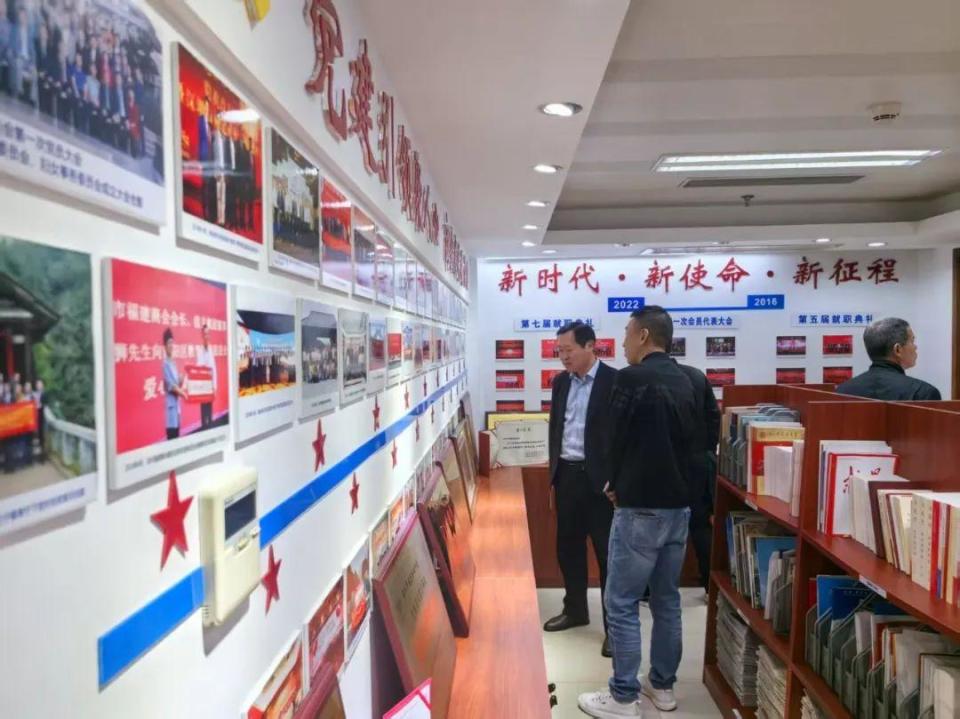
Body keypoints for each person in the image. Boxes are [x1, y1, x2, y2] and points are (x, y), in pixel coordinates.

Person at [579, 306, 697, 719]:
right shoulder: (690, 379)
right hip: (679, 509)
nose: (624, 341)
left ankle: (623, 696)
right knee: (666, 601)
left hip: (639, 508)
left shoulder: (630, 379)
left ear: (644, 335)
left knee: (622, 601)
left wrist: (613, 484)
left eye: (628, 333)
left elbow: (614, 438)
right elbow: (700, 444)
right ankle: (662, 687)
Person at [542, 321, 617, 657]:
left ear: (590, 346)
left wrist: (616, 480)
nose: (563, 357)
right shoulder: (561, 382)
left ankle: (615, 628)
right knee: (568, 547)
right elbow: (557, 429)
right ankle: (575, 610)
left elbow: (623, 436)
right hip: (568, 477)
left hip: (601, 483)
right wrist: (554, 475)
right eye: (559, 351)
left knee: (607, 555)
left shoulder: (614, 381)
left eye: (568, 350)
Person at [674, 360, 720, 592]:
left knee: (657, 525)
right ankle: (709, 585)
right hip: (698, 461)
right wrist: (705, 450)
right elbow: (714, 418)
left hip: (663, 464)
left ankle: (650, 590)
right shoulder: (696, 375)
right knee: (701, 525)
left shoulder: (644, 377)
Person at [837, 317, 941, 400]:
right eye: (912, 341)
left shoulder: (842, 391)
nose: (915, 347)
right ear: (898, 349)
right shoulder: (923, 393)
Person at [162, 328, 187, 440]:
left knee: (177, 436)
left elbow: (177, 383)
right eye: (168, 343)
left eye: (172, 342)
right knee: (172, 437)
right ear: (165, 346)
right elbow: (171, 386)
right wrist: (184, 394)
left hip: (177, 408)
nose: (171, 345)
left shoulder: (173, 363)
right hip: (171, 408)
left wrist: (183, 377)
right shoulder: (165, 364)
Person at [196, 325, 216, 429]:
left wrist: (214, 386)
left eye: (208, 334)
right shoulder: (200, 350)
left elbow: (214, 369)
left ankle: (210, 429)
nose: (206, 336)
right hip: (203, 387)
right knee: (204, 415)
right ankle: (204, 429)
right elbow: (199, 368)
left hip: (210, 387)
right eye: (205, 334)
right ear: (202, 335)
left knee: (210, 413)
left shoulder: (211, 350)